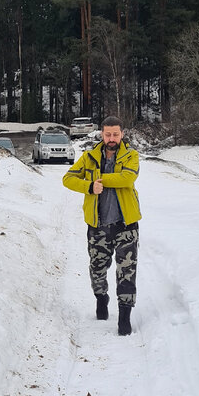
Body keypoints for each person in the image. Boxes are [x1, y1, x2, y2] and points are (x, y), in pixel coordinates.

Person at [62, 116, 141, 335]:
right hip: (98, 226)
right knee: (97, 269)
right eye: (108, 134)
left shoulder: (131, 155)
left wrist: (101, 180)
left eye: (116, 134)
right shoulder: (89, 157)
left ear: (122, 134)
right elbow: (67, 179)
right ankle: (101, 297)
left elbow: (126, 179)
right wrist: (89, 186)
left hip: (126, 225)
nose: (112, 138)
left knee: (127, 272)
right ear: (102, 135)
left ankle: (124, 316)